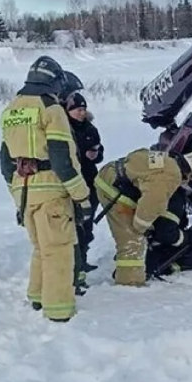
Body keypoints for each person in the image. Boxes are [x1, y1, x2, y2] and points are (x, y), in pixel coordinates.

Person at [0, 56, 92, 322]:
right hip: (51, 191)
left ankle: (37, 296)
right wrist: (81, 196)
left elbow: (6, 162)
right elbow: (62, 158)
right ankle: (59, 310)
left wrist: (17, 196)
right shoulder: (51, 109)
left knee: (41, 247)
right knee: (59, 250)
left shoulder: (10, 110)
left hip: (24, 191)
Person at [93, 146, 192, 286]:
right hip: (113, 192)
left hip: (109, 174)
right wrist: (141, 229)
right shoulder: (170, 177)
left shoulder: (169, 161)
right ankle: (129, 285)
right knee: (133, 245)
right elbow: (150, 205)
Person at [64, 91, 104, 281]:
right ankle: (73, 264)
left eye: (83, 109)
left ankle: (83, 260)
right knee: (74, 226)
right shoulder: (63, 128)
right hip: (71, 183)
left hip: (90, 182)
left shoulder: (90, 129)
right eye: (77, 110)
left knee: (87, 225)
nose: (81, 113)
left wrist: (96, 154)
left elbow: (100, 149)